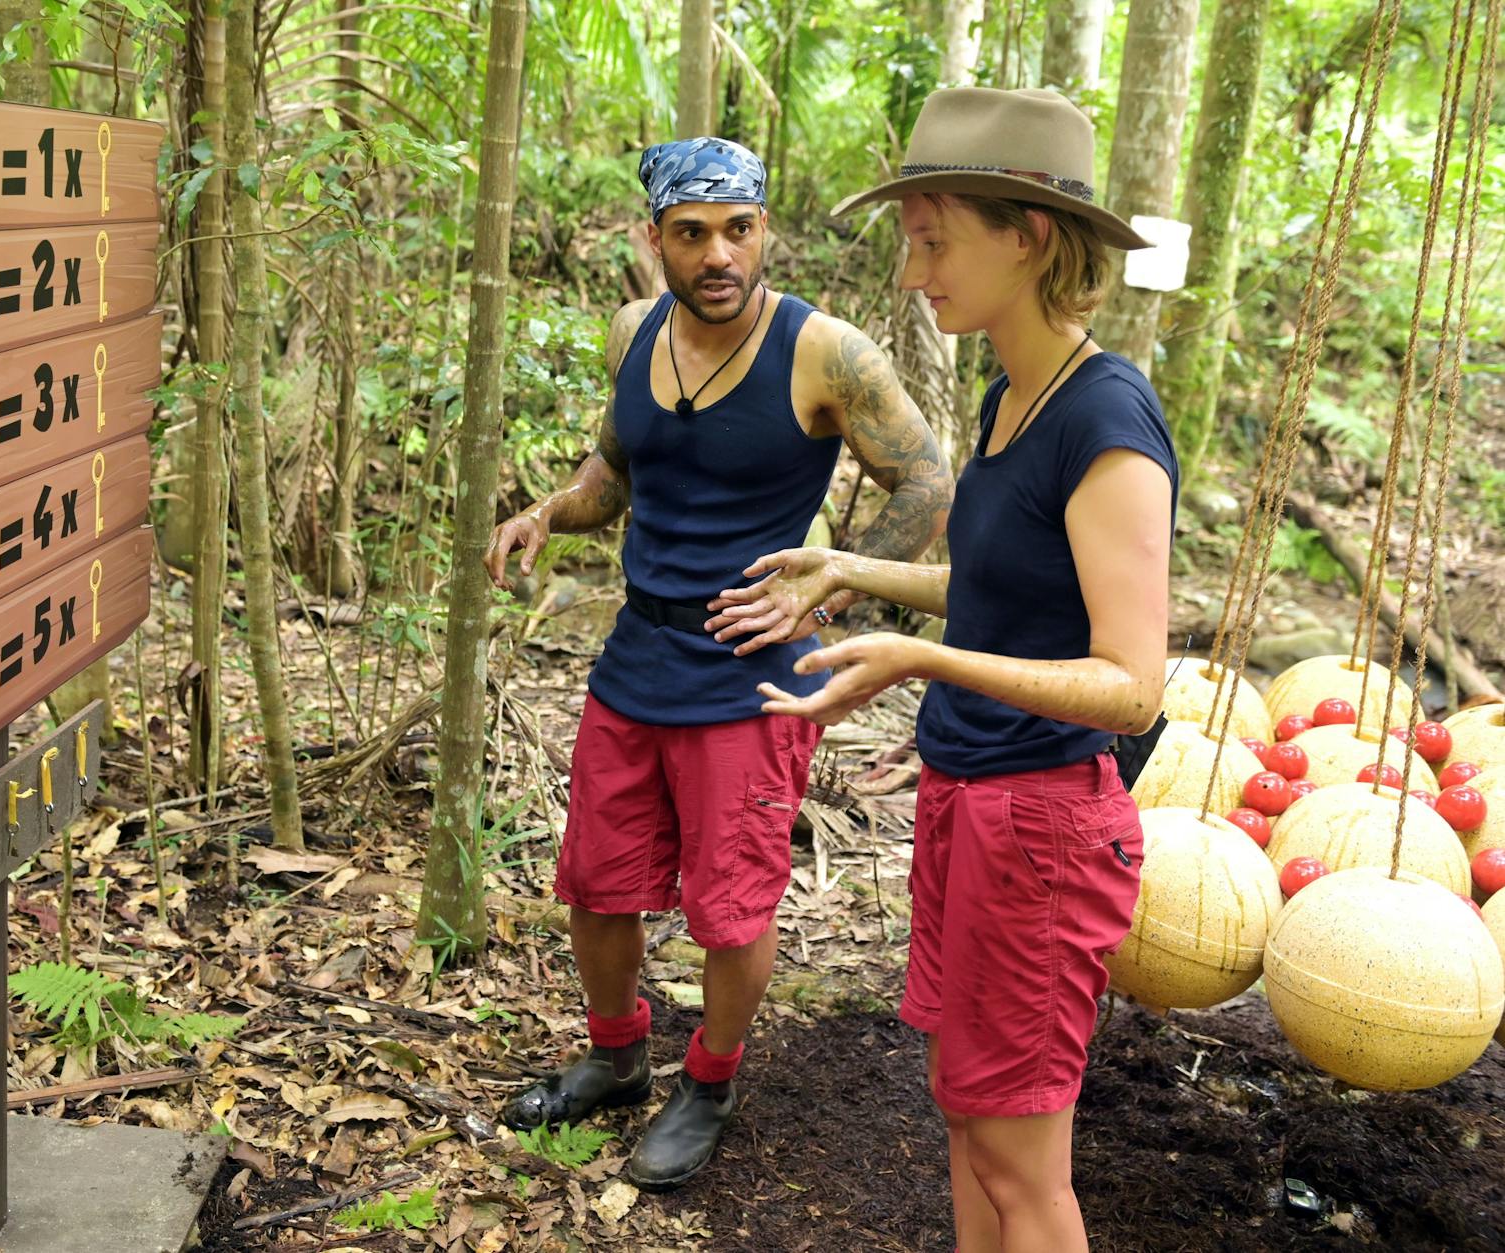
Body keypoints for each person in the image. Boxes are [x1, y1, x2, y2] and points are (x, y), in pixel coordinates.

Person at [708, 87, 1178, 1252]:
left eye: (935, 241)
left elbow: (1131, 684)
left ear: (1025, 237)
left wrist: (916, 658)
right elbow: (1003, 595)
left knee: (1025, 1170)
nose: (915, 273)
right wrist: (849, 567)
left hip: (1045, 829)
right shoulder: (1009, 393)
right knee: (969, 1122)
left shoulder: (1105, 421)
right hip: (970, 805)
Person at [484, 136, 954, 1191]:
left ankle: (709, 1079)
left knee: (730, 903)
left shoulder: (825, 352)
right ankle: (614, 1055)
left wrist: (828, 579)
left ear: (763, 231)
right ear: (654, 241)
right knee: (597, 884)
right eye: (690, 234)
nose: (716, 255)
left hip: (750, 672)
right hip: (636, 652)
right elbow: (615, 467)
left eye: (736, 230)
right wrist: (546, 513)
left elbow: (927, 481)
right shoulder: (631, 330)